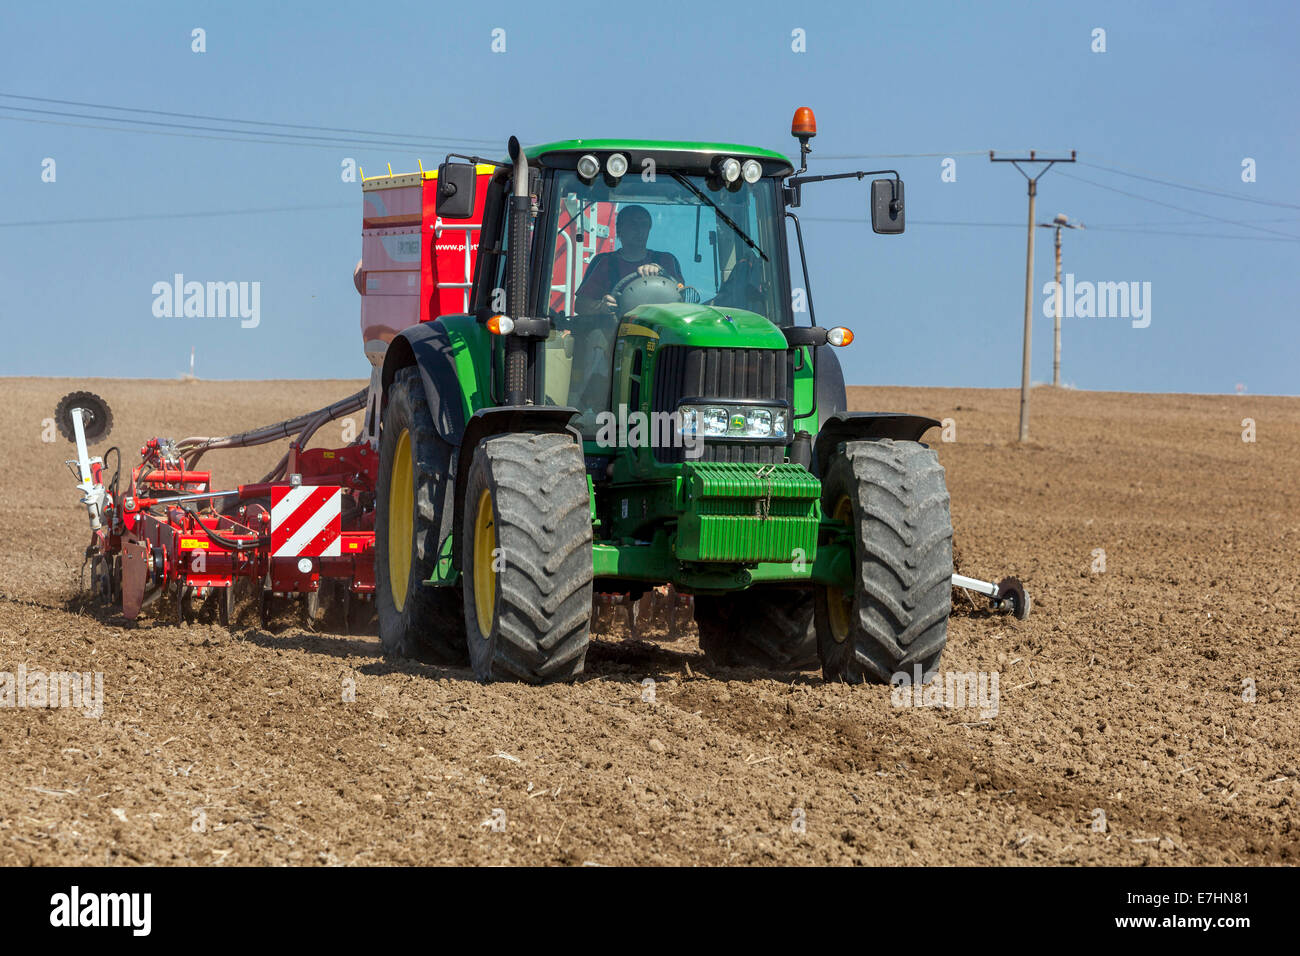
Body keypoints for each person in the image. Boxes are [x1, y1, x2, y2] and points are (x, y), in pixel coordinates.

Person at [573, 205, 682, 315]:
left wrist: (661, 271)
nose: (639, 230)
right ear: (619, 229)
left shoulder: (665, 260)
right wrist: (601, 306)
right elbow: (580, 305)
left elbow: (682, 295)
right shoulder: (605, 263)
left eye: (644, 225)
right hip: (614, 330)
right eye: (632, 224)